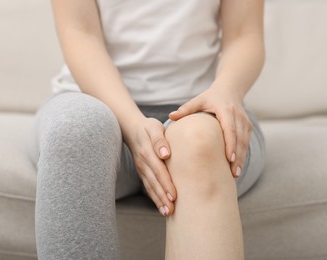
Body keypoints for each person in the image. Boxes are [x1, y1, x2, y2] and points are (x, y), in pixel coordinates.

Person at [28, 0, 266, 259]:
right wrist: (133, 126)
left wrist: (226, 92)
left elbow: (244, 33)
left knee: (199, 142)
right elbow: (79, 31)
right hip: (93, 100)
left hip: (198, 108)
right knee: (76, 133)